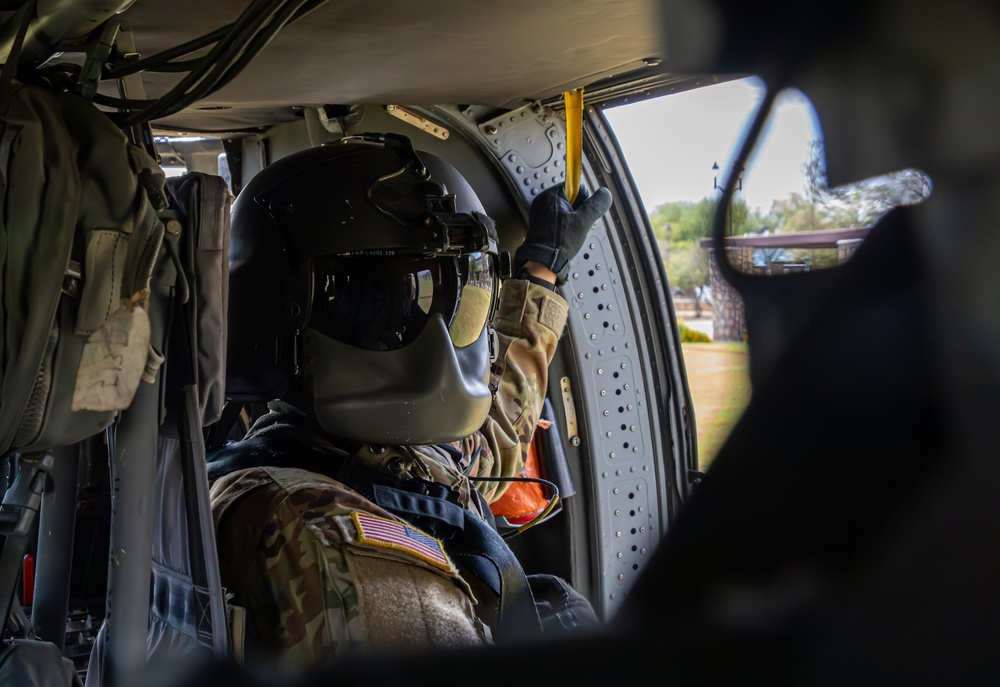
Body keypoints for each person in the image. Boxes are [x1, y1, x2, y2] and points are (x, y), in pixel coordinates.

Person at [206, 133, 611, 664]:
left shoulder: (365, 454)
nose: (440, 340)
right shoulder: (321, 534)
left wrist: (541, 272)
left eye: (461, 295)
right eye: (390, 301)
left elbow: (488, 444)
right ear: (282, 312)